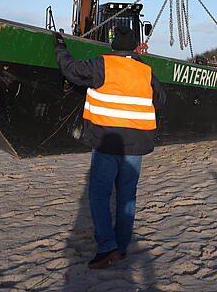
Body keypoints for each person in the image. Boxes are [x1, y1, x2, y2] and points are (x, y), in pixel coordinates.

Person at [52, 26, 166, 270]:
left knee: (100, 195)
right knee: (127, 197)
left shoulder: (102, 64)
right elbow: (160, 100)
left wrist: (60, 46)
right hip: (136, 145)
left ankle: (106, 247)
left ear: (112, 45)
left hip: (107, 142)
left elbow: (71, 70)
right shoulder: (145, 70)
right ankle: (121, 247)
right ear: (136, 46)